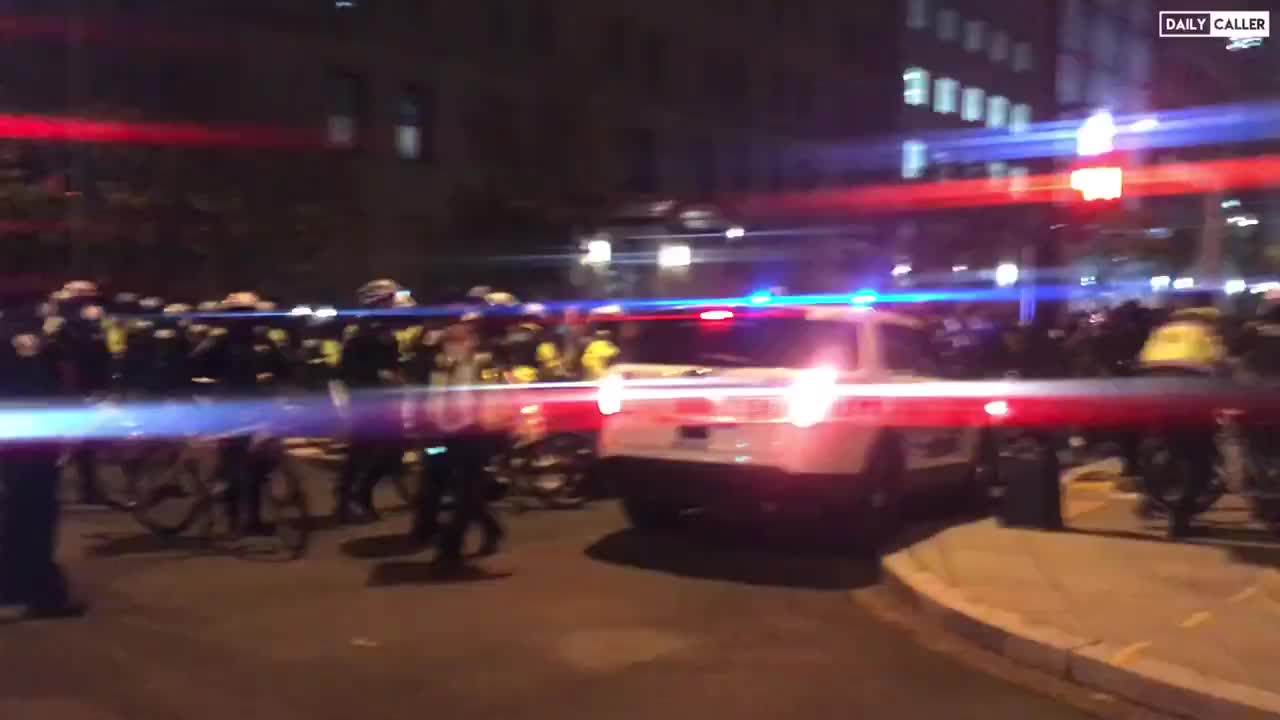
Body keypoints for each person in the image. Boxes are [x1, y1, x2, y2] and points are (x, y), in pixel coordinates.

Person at [0, 306, 85, 618]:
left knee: (18, 513)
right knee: (33, 515)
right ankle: (39, 593)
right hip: (33, 442)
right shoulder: (27, 344)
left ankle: (18, 589)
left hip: (16, 441)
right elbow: (41, 390)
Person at [189, 291, 290, 535]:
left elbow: (283, 365)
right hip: (229, 407)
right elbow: (194, 366)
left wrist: (277, 377)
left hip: (259, 405)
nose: (243, 319)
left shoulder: (262, 339)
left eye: (247, 313)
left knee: (260, 462)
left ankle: (252, 518)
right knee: (236, 462)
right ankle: (232, 518)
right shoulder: (219, 341)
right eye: (237, 313)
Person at [1131, 291, 1228, 536]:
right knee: (1197, 452)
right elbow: (1220, 364)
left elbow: (1142, 360)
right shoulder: (1207, 329)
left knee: (1158, 443)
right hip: (1190, 388)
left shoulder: (1164, 329)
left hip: (1152, 387)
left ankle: (1152, 495)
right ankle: (1181, 517)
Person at [414, 316, 505, 570]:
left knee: (465, 492)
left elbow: (492, 401)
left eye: (458, 339)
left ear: (472, 341)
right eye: (449, 339)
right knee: (438, 484)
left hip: (472, 435)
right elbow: (429, 397)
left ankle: (449, 550)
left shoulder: (483, 365)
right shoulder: (439, 365)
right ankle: (491, 528)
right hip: (440, 435)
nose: (452, 344)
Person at [333, 279, 404, 523]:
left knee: (395, 449)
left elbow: (392, 362)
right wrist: (376, 373)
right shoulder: (358, 330)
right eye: (389, 299)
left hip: (386, 399)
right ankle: (343, 501)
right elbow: (345, 368)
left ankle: (363, 492)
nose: (394, 304)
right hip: (363, 398)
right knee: (361, 450)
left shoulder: (387, 328)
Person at [44, 281, 113, 506]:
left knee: (83, 441)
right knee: (68, 441)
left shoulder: (89, 323)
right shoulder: (62, 324)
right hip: (68, 390)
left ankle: (88, 488)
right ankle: (81, 487)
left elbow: (101, 356)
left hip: (81, 388)